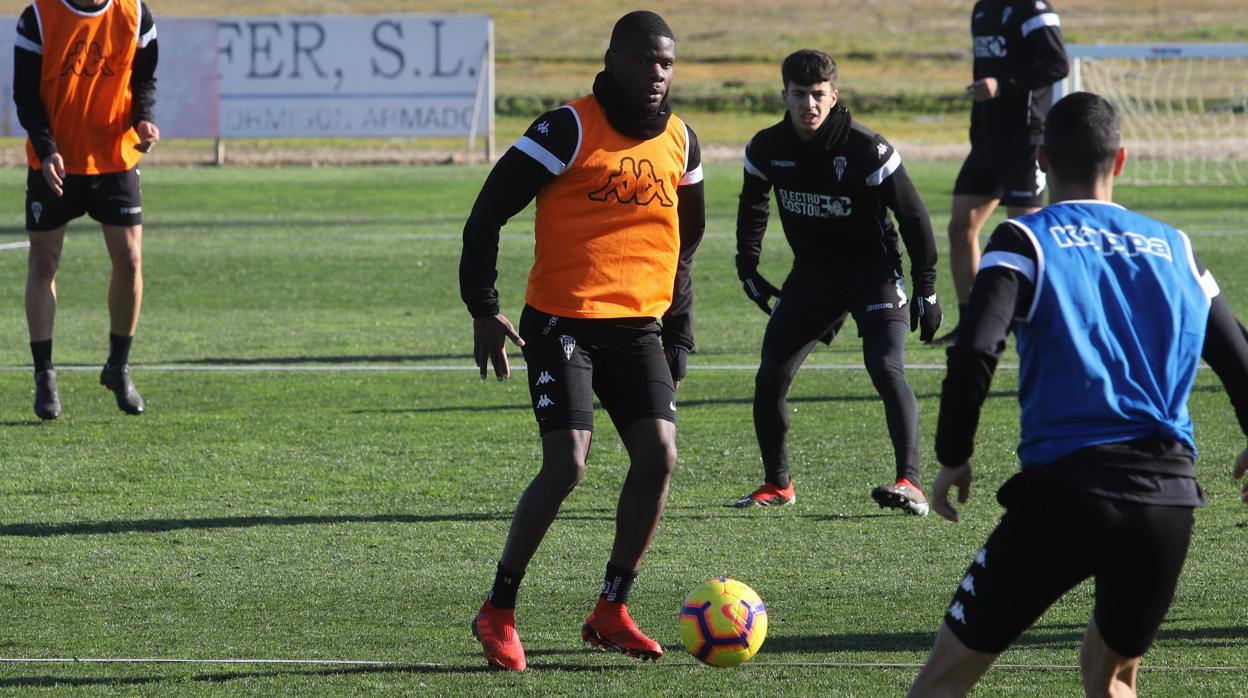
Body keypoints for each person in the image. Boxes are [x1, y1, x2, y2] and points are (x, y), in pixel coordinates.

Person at [908, 92, 1248, 697]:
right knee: (1109, 676)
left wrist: (953, 451)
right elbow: (1240, 359)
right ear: (1119, 161)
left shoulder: (1023, 238)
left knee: (942, 682)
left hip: (1067, 493)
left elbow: (976, 350)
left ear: (1040, 158)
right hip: (1166, 502)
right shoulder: (1177, 248)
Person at [458, 11, 704, 671]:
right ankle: (499, 607)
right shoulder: (567, 127)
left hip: (639, 330)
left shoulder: (683, 141)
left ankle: (610, 609)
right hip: (563, 323)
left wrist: (680, 331)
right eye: (648, 61)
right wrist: (484, 308)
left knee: (659, 456)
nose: (659, 74)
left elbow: (685, 247)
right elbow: (487, 212)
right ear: (615, 59)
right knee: (568, 462)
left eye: (668, 63)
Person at [732, 49, 941, 515]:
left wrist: (925, 287)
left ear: (834, 96)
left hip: (874, 274)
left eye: (818, 95)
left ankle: (911, 482)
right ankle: (777, 484)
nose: (809, 104)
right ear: (783, 95)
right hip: (813, 276)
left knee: (886, 366)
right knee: (770, 377)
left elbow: (914, 217)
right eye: (800, 94)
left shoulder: (867, 148)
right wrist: (747, 265)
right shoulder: (766, 148)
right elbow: (753, 206)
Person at [15, 0, 159, 419]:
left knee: (130, 260)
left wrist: (143, 119)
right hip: (55, 160)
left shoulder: (136, 15)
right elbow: (24, 95)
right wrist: (47, 151)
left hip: (115, 157)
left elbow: (145, 78)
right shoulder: (38, 16)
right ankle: (44, 374)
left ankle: (118, 366)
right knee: (44, 264)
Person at [934, 0, 1068, 345]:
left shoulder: (1032, 8)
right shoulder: (982, 9)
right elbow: (984, 72)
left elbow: (1056, 65)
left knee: (1030, 238)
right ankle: (972, 322)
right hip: (987, 142)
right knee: (960, 227)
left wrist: (1003, 85)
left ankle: (1043, 322)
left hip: (1024, 140)